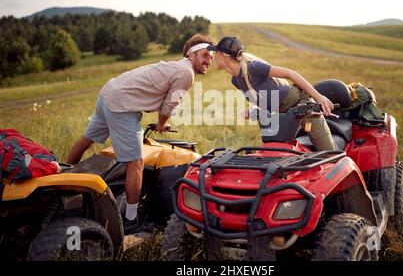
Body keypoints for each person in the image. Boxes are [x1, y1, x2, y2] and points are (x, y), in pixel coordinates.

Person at [67, 34, 214, 232]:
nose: (208, 61)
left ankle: (64, 181)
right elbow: (169, 105)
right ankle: (131, 218)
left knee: (88, 139)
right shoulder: (186, 72)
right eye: (205, 55)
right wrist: (161, 124)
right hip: (122, 105)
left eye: (211, 58)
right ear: (192, 54)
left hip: (109, 92)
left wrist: (160, 121)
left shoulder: (176, 66)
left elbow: (163, 97)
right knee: (136, 163)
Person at [207, 36, 337, 151]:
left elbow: (291, 74)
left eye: (215, 52)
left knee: (328, 152)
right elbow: (258, 100)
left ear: (223, 55)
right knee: (275, 153)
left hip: (301, 106)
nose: (212, 55)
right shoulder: (235, 80)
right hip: (282, 116)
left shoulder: (253, 67)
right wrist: (253, 110)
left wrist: (318, 97)